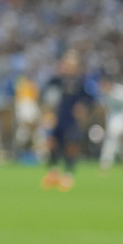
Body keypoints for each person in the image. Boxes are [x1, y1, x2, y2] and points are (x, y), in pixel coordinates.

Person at [41, 51, 94, 191]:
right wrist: (47, 112)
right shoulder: (57, 80)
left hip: (71, 119)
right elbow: (45, 92)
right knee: (52, 143)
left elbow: (90, 97)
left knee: (71, 145)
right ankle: (53, 172)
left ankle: (68, 175)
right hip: (58, 117)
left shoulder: (80, 82)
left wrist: (83, 107)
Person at [99, 75, 123, 171]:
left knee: (113, 137)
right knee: (116, 140)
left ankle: (106, 162)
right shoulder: (105, 94)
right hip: (114, 121)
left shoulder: (121, 92)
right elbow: (108, 110)